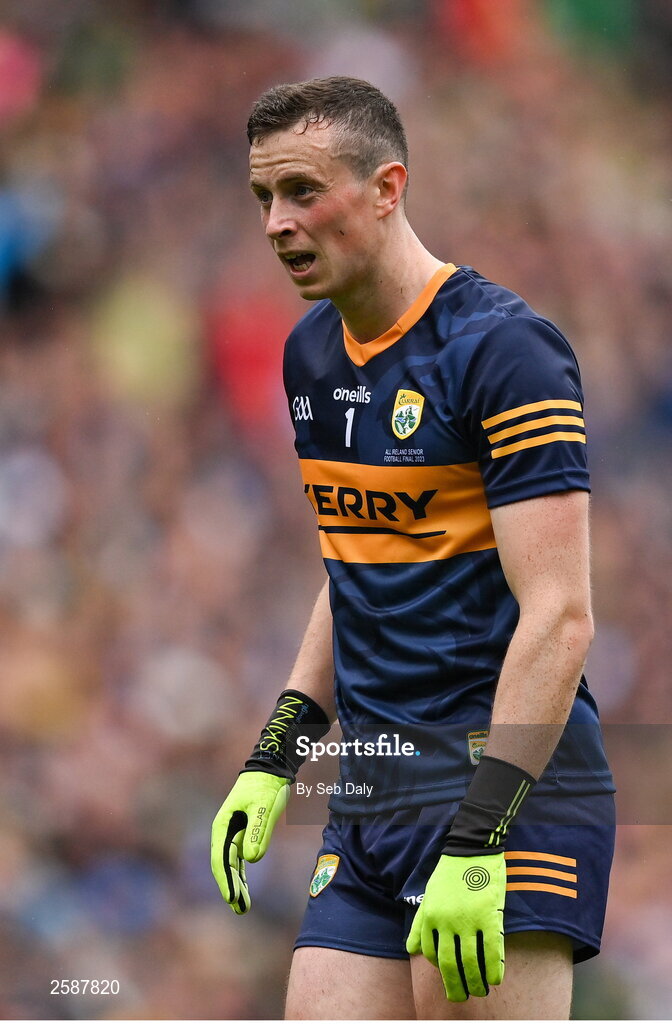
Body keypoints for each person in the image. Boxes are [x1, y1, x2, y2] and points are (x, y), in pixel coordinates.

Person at [211, 77, 615, 1020]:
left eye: (304, 191)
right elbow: (357, 564)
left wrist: (479, 839)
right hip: (372, 788)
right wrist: (277, 754)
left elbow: (562, 618)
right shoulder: (309, 353)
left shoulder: (504, 350)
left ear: (388, 187)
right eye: (264, 197)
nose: (277, 222)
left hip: (503, 789)